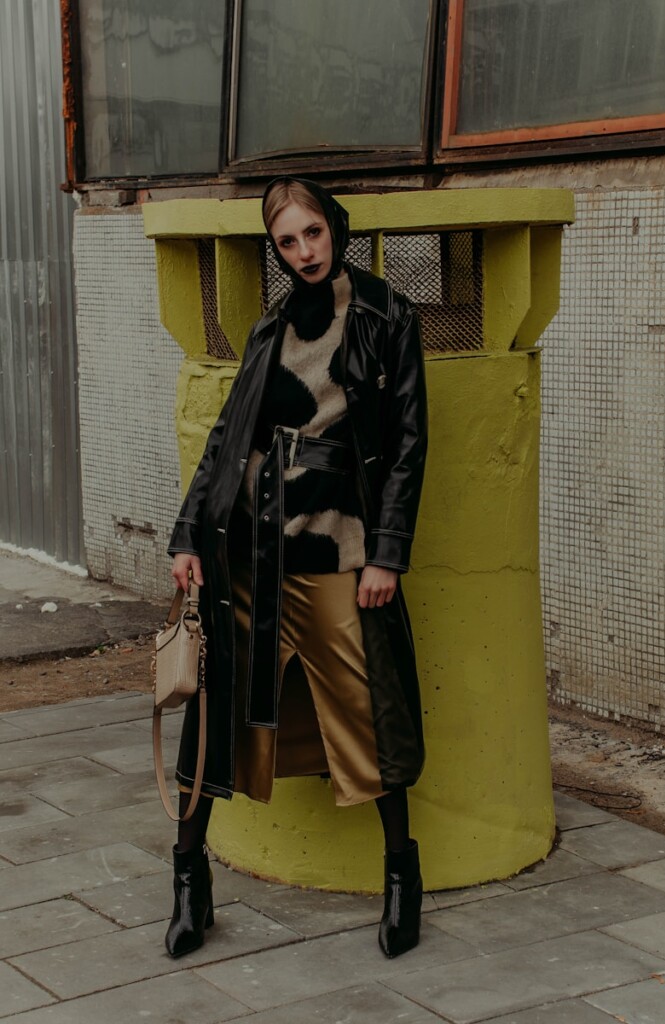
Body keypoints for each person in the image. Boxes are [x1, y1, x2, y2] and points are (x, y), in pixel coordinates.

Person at [165, 177, 428, 960]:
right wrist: (188, 535)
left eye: (313, 233)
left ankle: (401, 879)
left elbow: (409, 446)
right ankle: (187, 883)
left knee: (369, 709)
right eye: (288, 241)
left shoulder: (386, 314)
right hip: (247, 546)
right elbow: (227, 438)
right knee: (211, 712)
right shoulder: (270, 326)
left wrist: (386, 551)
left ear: (334, 228)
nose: (305, 252)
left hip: (336, 545)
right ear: (274, 247)